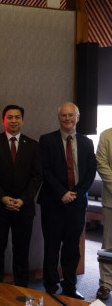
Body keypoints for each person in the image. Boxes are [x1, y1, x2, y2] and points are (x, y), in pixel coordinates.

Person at [38, 102, 96, 300]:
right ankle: (51, 285)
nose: (67, 118)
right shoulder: (46, 140)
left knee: (72, 248)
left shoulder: (87, 143)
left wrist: (77, 194)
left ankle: (70, 286)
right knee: (52, 246)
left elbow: (90, 172)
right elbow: (44, 170)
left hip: (77, 204)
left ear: (78, 118)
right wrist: (62, 192)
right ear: (58, 118)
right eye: (63, 115)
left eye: (71, 115)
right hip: (53, 202)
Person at [0, 104, 42, 287]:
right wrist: (3, 197)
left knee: (21, 251)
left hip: (24, 208)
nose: (13, 121)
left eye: (17, 117)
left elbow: (37, 176)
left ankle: (21, 288)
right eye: (9, 117)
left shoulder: (32, 145)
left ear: (23, 121)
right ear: (3, 120)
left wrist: (23, 199)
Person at [97, 128, 112, 300]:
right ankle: (105, 284)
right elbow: (101, 163)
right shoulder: (106, 135)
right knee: (108, 244)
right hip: (111, 198)